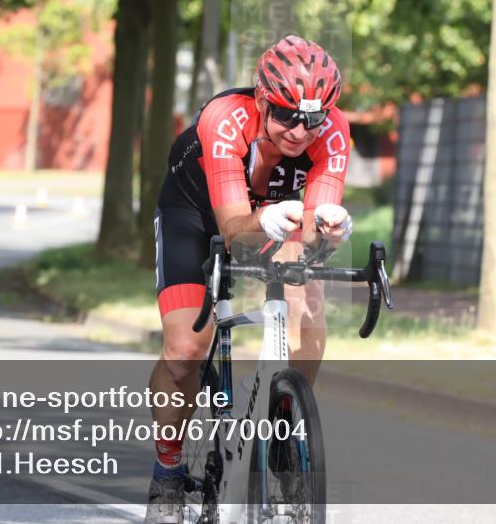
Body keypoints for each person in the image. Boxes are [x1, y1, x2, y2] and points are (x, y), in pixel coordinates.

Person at [143, 35, 354, 523]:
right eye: (285, 115)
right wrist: (267, 220)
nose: (301, 132)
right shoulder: (226, 119)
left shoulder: (333, 130)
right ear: (261, 99)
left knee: (308, 314)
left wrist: (330, 230)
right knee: (185, 353)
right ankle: (169, 471)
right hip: (198, 215)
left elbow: (317, 225)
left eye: (314, 118)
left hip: (278, 214)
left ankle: (285, 429)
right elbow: (234, 227)